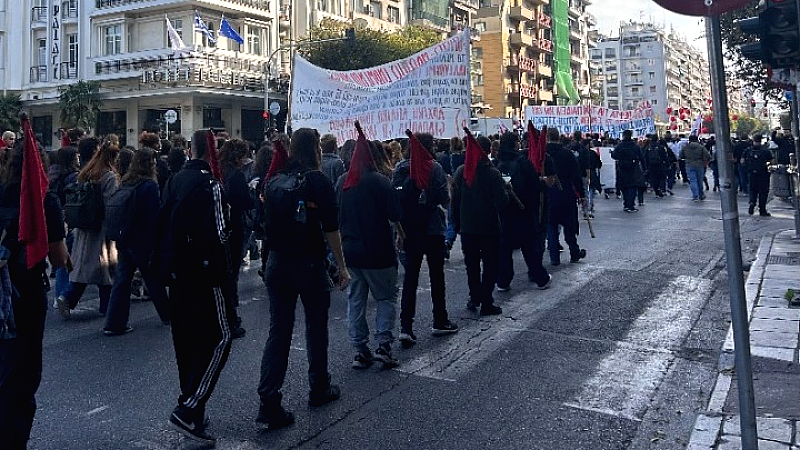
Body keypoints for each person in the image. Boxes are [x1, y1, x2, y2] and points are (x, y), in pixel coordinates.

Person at [257, 128, 350, 430]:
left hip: (276, 263)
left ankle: (269, 401)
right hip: (308, 264)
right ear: (316, 151)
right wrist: (341, 265)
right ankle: (318, 387)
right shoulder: (317, 180)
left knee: (278, 332)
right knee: (316, 327)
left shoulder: (274, 180)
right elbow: (331, 228)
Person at [158, 129, 233, 444]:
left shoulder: (175, 180)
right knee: (220, 336)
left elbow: (161, 220)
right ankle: (190, 407)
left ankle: (193, 407)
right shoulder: (211, 185)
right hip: (204, 274)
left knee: (186, 340)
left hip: (177, 272)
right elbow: (219, 233)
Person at [0, 129, 69, 450]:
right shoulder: (45, 199)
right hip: (25, 293)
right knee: (23, 375)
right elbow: (58, 257)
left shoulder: (1, 193)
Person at [337, 135, 402, 368]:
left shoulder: (343, 181)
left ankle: (359, 349)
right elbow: (395, 215)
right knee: (385, 297)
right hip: (378, 251)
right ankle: (383, 344)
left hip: (351, 251)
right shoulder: (381, 182)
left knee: (355, 300)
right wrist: (401, 236)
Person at [393, 132, 457, 348]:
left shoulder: (400, 168)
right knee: (437, 276)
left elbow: (396, 202)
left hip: (410, 230)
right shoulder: (435, 168)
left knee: (410, 278)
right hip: (432, 229)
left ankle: (405, 327)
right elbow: (444, 200)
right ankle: (440, 319)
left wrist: (400, 232)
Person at [103, 148, 170, 335]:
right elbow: (153, 216)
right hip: (143, 240)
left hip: (125, 237)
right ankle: (167, 315)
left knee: (122, 281)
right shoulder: (149, 185)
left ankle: (114, 322)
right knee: (153, 278)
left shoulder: (125, 182)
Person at [56, 141, 119, 318]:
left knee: (84, 269)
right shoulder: (110, 177)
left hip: (84, 228)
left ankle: (68, 297)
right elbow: (111, 203)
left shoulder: (86, 173)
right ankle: (106, 307)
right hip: (102, 229)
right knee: (106, 270)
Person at [452, 133, 509, 316]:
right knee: (490, 265)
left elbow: (455, 202)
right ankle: (486, 300)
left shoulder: (462, 171)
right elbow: (502, 202)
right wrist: (506, 191)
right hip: (489, 228)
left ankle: (474, 297)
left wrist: (457, 223)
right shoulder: (492, 173)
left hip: (468, 228)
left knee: (472, 266)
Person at [495, 132, 551, 291]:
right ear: (514, 144)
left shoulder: (497, 163)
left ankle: (503, 280)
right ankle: (540, 278)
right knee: (529, 246)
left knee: (504, 247)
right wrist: (543, 184)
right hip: (522, 210)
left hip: (504, 211)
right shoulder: (522, 162)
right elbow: (534, 185)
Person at [218, 139, 252, 339]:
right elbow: (245, 202)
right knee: (232, 271)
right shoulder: (237, 175)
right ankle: (231, 315)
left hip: (221, 227)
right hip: (235, 226)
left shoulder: (220, 171)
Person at [546, 128, 587, 266]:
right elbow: (576, 175)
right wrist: (581, 195)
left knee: (551, 224)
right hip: (566, 192)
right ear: (559, 138)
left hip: (548, 191)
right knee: (569, 224)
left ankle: (554, 256)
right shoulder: (567, 153)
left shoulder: (543, 154)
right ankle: (574, 252)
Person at [742, 133, 775, 217]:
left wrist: (747, 167)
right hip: (763, 173)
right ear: (761, 140)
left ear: (753, 140)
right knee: (763, 192)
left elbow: (742, 161)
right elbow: (772, 162)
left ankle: (752, 202)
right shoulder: (766, 150)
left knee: (752, 189)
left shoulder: (748, 150)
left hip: (752, 173)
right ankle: (762, 209)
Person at [612, 130, 645, 212]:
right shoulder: (635, 146)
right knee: (632, 186)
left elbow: (614, 156)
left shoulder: (620, 145)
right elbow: (641, 157)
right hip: (633, 168)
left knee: (624, 187)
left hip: (622, 168)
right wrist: (644, 168)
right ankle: (631, 205)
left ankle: (626, 204)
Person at [679, 134, 711, 202]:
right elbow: (708, 156)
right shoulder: (701, 147)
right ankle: (701, 195)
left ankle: (695, 196)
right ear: (697, 140)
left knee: (692, 181)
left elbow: (681, 156)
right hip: (699, 165)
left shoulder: (685, 147)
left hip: (689, 164)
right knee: (700, 181)